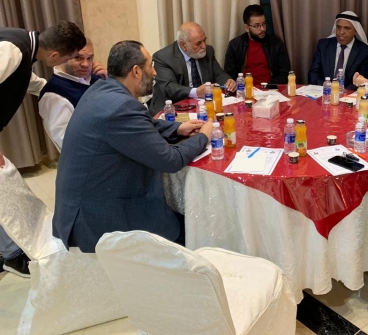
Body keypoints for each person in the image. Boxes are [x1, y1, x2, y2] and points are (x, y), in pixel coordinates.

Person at [52, 40, 212, 253]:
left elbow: (141, 124)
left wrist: (178, 128)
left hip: (83, 204)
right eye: (150, 65)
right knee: (190, 228)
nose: (154, 72)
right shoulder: (122, 107)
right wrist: (203, 137)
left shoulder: (102, 88)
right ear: (136, 71)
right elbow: (171, 160)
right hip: (97, 219)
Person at [0, 21, 86, 277]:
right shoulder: (14, 49)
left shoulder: (23, 46)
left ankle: (9, 252)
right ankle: (11, 256)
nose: (71, 63)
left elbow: (30, 82)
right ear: (54, 55)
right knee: (6, 189)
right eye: (69, 59)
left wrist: (65, 89)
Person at [148, 22, 236, 116]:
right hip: (172, 109)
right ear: (183, 45)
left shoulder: (208, 51)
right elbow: (169, 88)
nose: (204, 46)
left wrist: (228, 81)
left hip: (202, 106)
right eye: (198, 43)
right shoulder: (163, 57)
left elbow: (219, 74)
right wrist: (196, 92)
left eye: (204, 40)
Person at [38, 38, 108, 151]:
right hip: (96, 153)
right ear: (64, 57)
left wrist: (109, 81)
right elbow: (68, 144)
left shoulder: (97, 77)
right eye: (78, 58)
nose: (86, 64)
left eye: (90, 58)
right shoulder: (54, 94)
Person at [224, 4, 291, 84]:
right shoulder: (235, 45)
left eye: (264, 24)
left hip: (271, 88)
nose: (262, 29)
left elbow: (285, 74)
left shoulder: (276, 44)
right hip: (245, 88)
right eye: (257, 26)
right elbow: (229, 75)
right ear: (247, 27)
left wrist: (269, 86)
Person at [307, 11, 368, 90]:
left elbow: (361, 80)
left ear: (355, 31)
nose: (341, 32)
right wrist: (328, 88)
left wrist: (342, 92)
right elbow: (313, 74)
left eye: (347, 28)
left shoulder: (364, 51)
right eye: (339, 27)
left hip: (348, 94)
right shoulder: (323, 45)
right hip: (324, 92)